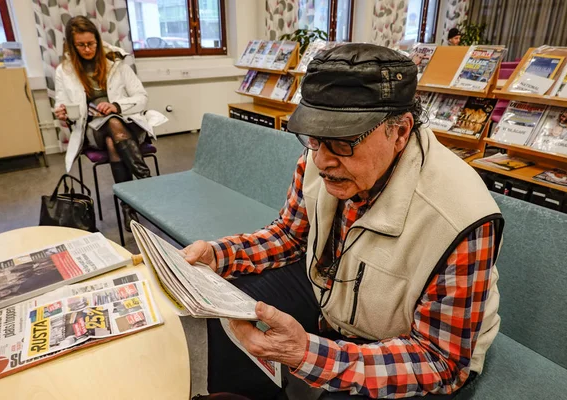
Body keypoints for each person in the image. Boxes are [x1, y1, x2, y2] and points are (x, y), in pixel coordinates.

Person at [184, 44, 504, 399]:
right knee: (228, 307)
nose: (322, 160)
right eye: (315, 137)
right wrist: (219, 254)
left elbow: (439, 361)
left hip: (407, 341)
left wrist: (307, 353)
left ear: (399, 132)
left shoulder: (462, 217)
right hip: (334, 294)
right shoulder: (320, 158)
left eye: (342, 141)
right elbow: (290, 236)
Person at [54, 16, 166, 230]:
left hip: (128, 124)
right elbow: (63, 103)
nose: (87, 49)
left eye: (91, 43)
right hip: (91, 130)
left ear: (97, 40)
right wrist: (63, 112)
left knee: (113, 132)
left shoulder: (116, 62)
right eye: (81, 45)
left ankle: (128, 208)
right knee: (111, 127)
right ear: (71, 45)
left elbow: (142, 97)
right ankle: (148, 185)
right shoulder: (64, 71)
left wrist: (116, 106)